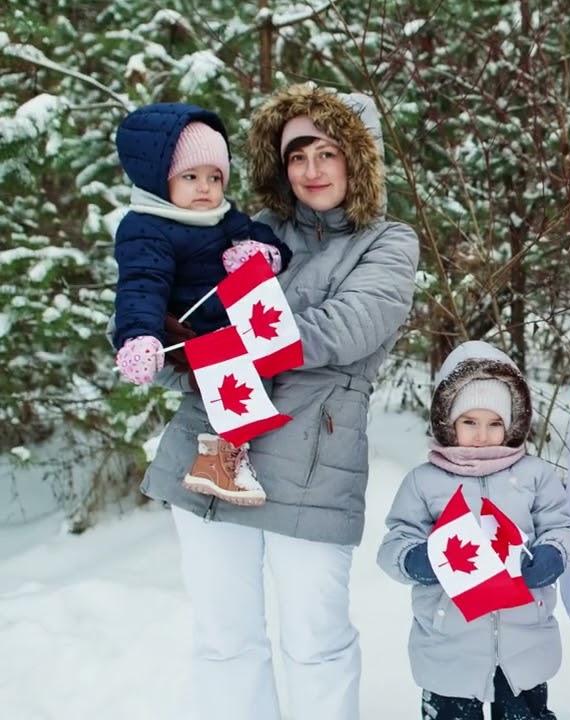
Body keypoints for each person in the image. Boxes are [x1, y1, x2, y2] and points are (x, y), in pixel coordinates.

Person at [139, 84, 420, 720]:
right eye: (297, 156)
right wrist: (151, 339)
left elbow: (347, 327)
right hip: (213, 450)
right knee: (225, 643)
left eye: (327, 152)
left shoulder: (387, 242)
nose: (312, 170)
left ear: (358, 159)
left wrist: (224, 339)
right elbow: (178, 315)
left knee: (314, 643)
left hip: (313, 463)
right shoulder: (247, 233)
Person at [378, 340, 570, 720]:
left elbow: (561, 525)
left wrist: (554, 553)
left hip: (524, 643)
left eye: (494, 424)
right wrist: (419, 560)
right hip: (449, 645)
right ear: (448, 421)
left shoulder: (534, 475)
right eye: (469, 422)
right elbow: (394, 543)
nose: (482, 434)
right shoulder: (425, 482)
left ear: (512, 424)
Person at [112, 103, 295, 506]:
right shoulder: (147, 228)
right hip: (191, 335)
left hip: (233, 325)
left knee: (251, 379)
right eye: (190, 176)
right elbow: (141, 286)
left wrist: (260, 252)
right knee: (237, 389)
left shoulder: (223, 216)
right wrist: (139, 335)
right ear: (159, 181)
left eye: (215, 177)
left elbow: (267, 240)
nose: (205, 188)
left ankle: (220, 460)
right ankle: (219, 462)